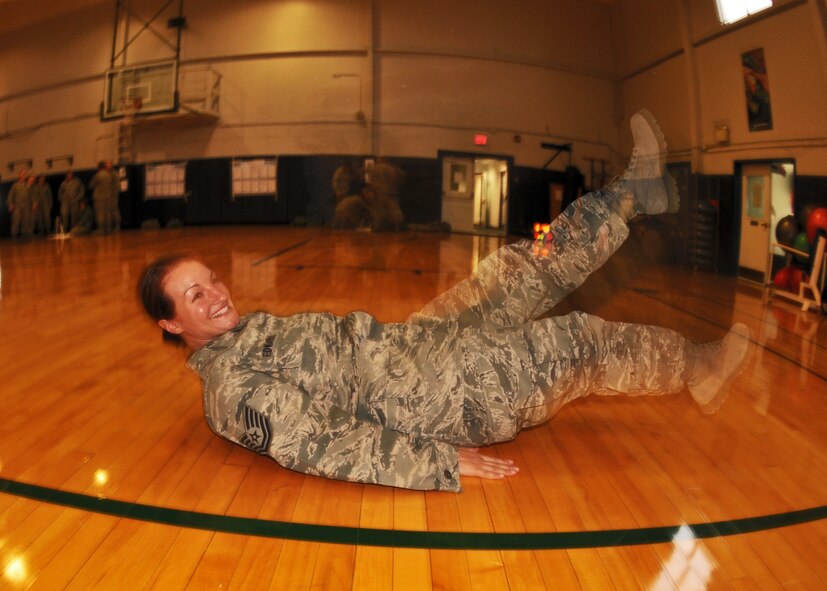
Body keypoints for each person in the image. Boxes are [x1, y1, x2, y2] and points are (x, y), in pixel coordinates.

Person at [139, 110, 752, 491]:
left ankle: (635, 194)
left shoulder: (243, 334)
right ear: (171, 322)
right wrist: (440, 463)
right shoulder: (232, 391)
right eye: (197, 295)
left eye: (212, 279)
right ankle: (702, 369)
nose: (218, 294)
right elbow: (321, 443)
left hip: (415, 343)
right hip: (438, 395)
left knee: (523, 270)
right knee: (576, 343)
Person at [7, 170, 33, 239]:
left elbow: (30, 196)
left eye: (24, 175)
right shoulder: (15, 186)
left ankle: (24, 235)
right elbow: (10, 196)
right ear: (19, 176)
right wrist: (10, 204)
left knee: (26, 222)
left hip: (26, 206)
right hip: (17, 206)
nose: (23, 176)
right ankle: (14, 236)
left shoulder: (28, 186)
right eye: (22, 174)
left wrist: (32, 205)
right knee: (16, 221)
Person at [89, 161, 114, 232]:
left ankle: (101, 229)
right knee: (108, 213)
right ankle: (109, 229)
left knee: (100, 214)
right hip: (108, 196)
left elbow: (91, 185)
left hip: (99, 197)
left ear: (99, 167)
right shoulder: (109, 175)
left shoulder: (98, 175)